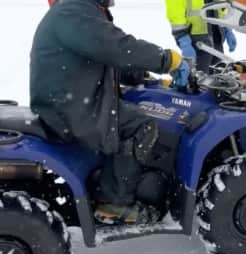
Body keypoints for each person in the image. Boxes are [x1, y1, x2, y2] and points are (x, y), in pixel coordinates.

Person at [30, 0, 190, 224]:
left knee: (130, 110)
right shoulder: (72, 11)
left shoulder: (76, 9)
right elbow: (117, 47)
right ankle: (114, 202)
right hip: (70, 109)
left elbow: (104, 58)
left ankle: (109, 181)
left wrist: (145, 79)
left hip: (69, 101)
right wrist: (167, 60)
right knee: (140, 125)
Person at [165, 0, 237, 72]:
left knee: (218, 76)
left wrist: (227, 29)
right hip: (196, 41)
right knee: (199, 78)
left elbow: (222, 7)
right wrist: (184, 41)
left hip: (217, 37)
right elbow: (175, 15)